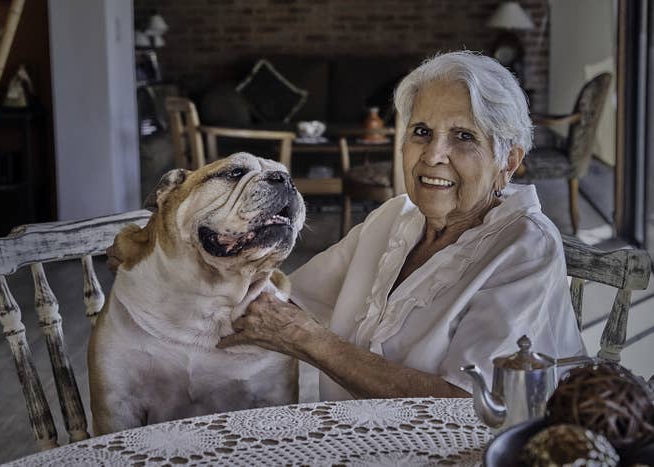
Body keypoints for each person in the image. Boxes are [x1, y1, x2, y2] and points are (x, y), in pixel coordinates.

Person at [216, 51, 586, 401]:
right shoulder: (394, 217)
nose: (433, 155)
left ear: (508, 162)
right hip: (356, 439)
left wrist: (309, 340)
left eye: (464, 136)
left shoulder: (526, 247)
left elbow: (468, 406)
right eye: (421, 132)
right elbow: (284, 301)